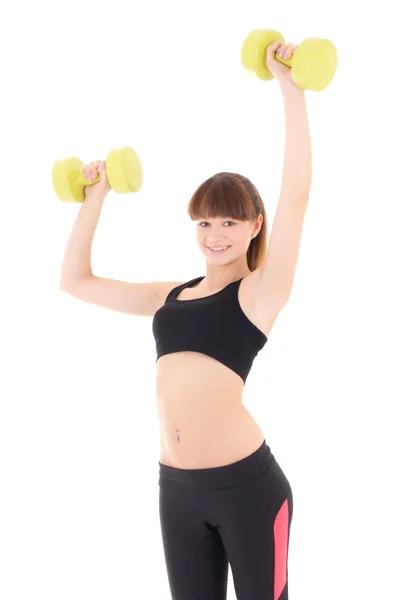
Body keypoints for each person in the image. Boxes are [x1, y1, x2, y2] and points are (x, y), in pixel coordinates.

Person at [60, 40, 311, 600]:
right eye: (203, 222)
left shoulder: (260, 293)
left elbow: (295, 197)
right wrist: (94, 199)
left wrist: (289, 89)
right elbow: (75, 282)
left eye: (228, 221)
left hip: (248, 488)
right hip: (175, 489)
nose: (214, 234)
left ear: (253, 227)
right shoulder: (171, 295)